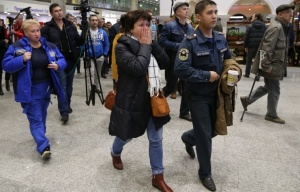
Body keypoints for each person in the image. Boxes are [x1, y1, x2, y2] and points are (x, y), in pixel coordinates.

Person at [108, 10, 173, 192]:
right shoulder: (122, 45)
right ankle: (115, 153)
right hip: (132, 99)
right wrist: (145, 45)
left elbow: (165, 63)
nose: (146, 28)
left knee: (156, 139)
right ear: (130, 28)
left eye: (147, 24)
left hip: (153, 97)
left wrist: (152, 44)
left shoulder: (149, 42)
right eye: (141, 25)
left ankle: (158, 176)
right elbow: (138, 67)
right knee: (126, 135)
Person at [174, 1, 231, 191]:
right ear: (198, 17)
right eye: (209, 13)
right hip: (198, 96)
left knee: (214, 130)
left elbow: (229, 59)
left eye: (216, 12)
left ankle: (189, 138)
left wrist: (233, 71)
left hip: (218, 94)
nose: (214, 16)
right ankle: (205, 173)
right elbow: (180, 69)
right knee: (205, 136)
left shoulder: (221, 38)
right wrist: (206, 76)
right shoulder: (188, 41)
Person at [2, 19, 66, 159]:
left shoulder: (48, 46)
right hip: (28, 89)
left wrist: (58, 65)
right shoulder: (17, 47)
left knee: (42, 115)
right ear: (25, 33)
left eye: (38, 30)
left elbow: (62, 59)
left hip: (46, 88)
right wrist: (22, 60)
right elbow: (6, 65)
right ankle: (43, 146)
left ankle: (39, 135)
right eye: (33, 31)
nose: (37, 34)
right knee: (35, 118)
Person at [240, 4, 294, 124]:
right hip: (271, 66)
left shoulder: (282, 26)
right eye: (288, 12)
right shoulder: (276, 28)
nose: (290, 15)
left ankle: (247, 100)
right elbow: (266, 48)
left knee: (268, 87)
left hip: (275, 65)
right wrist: (266, 66)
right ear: (280, 14)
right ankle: (271, 114)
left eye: (291, 12)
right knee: (275, 89)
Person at [41, 3, 86, 123]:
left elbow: (79, 40)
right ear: (51, 13)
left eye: (60, 10)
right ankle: (64, 112)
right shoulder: (47, 27)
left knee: (69, 86)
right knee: (62, 86)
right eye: (56, 11)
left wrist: (85, 27)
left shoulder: (69, 25)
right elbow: (44, 45)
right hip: (58, 62)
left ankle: (67, 104)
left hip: (71, 60)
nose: (59, 13)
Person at [159, 2, 194, 122]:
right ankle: (156, 104)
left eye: (187, 9)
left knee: (187, 87)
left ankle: (184, 112)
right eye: (184, 9)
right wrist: (180, 46)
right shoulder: (169, 26)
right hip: (173, 60)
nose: (186, 11)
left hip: (187, 62)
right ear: (177, 12)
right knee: (171, 86)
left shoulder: (190, 28)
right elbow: (162, 41)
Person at [86, 15, 109, 92]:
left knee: (97, 73)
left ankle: (96, 87)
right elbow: (82, 44)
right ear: (89, 21)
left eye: (96, 20)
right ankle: (90, 88)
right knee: (90, 73)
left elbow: (106, 44)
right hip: (90, 56)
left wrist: (104, 54)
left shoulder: (103, 32)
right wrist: (85, 51)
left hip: (100, 56)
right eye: (92, 20)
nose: (94, 22)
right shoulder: (86, 32)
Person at [243, 13, 266, 78]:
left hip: (251, 46)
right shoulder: (264, 26)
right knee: (259, 61)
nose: (252, 18)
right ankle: (257, 75)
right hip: (260, 46)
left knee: (249, 60)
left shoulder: (250, 26)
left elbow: (246, 36)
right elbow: (266, 36)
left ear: (256, 17)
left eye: (253, 17)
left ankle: (247, 74)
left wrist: (245, 46)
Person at [0, 18, 9, 95]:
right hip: (1, 50)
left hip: (4, 50)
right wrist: (3, 41)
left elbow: (7, 39)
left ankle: (7, 82)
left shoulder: (4, 29)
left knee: (7, 67)